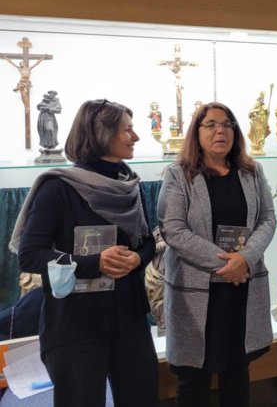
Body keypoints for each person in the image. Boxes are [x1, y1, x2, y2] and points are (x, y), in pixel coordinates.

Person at [11, 99, 159, 407]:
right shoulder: (59, 188)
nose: (135, 137)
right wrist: (93, 263)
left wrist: (138, 258)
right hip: (76, 326)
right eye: (127, 130)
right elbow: (30, 255)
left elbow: (146, 241)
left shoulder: (130, 185)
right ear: (100, 134)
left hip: (129, 321)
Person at [157, 102, 275, 407]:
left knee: (237, 369)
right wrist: (227, 262)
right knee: (193, 376)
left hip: (241, 288)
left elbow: (267, 219)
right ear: (197, 132)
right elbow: (173, 230)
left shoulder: (251, 172)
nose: (220, 130)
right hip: (198, 292)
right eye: (210, 124)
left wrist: (245, 258)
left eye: (227, 124)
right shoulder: (178, 175)